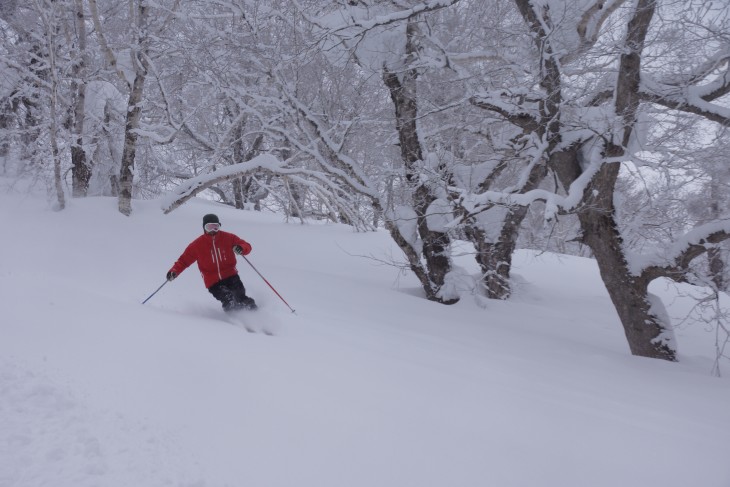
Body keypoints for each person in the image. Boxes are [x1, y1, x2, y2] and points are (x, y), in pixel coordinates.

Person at [167, 214, 257, 311]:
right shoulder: (197, 245)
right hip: (213, 281)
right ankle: (236, 320)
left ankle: (255, 314)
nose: (213, 230)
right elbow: (184, 261)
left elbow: (246, 245)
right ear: (204, 227)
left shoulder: (229, 238)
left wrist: (241, 248)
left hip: (231, 276)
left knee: (240, 297)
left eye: (216, 227)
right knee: (228, 299)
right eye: (209, 227)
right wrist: (174, 271)